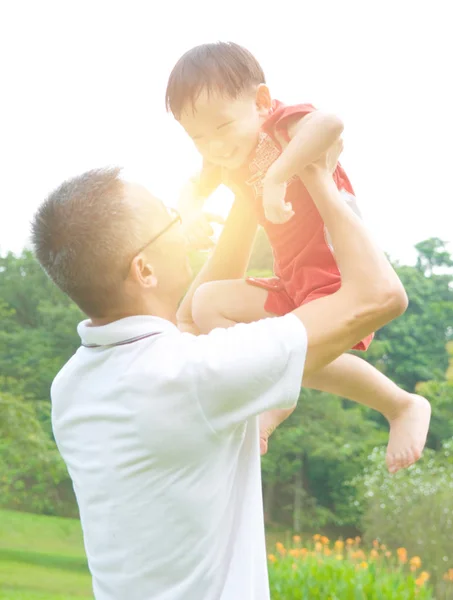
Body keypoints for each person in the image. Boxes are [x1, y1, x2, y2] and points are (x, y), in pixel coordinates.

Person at [31, 146, 408, 599]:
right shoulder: (190, 376)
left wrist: (245, 199)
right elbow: (380, 296)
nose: (183, 223)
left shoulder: (74, 385)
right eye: (170, 220)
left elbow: (189, 325)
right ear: (144, 269)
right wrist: (317, 175)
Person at [166, 41, 431, 472]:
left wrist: (277, 175)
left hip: (335, 270)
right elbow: (191, 187)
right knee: (208, 303)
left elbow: (329, 124)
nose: (213, 146)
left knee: (297, 353)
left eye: (222, 127)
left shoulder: (279, 126)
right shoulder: (224, 155)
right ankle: (271, 388)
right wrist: (189, 216)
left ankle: (395, 404)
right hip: (292, 279)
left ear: (262, 102)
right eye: (197, 136)